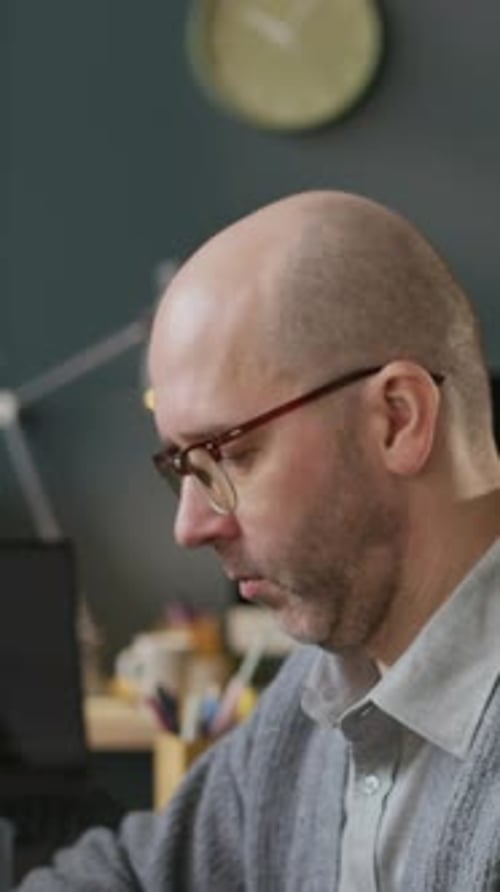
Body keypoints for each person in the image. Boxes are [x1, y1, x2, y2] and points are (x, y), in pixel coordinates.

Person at [17, 190, 500, 891]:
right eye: (182, 468)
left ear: (397, 420)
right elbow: (132, 875)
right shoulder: (316, 696)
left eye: (230, 454)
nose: (190, 526)